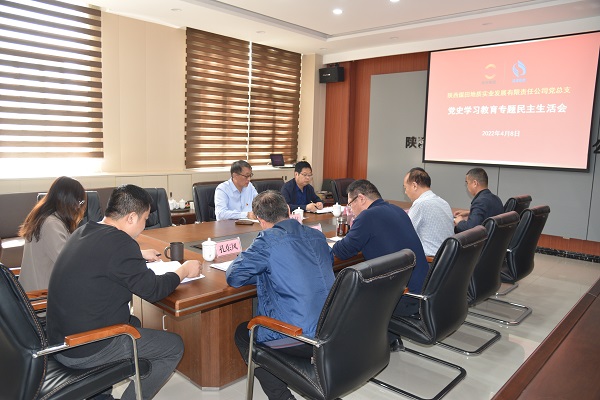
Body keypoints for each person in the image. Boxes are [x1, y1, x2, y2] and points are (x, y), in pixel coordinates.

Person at [46, 184, 202, 400]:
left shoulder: (84, 230)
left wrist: (138, 255)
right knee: (173, 346)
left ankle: (100, 391)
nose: (144, 225)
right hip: (84, 348)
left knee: (134, 322)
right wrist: (184, 270)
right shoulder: (121, 244)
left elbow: (105, 256)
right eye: (144, 219)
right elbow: (154, 289)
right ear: (131, 218)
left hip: (59, 341)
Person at [227, 190, 334, 400]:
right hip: (331, 328)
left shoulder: (267, 240)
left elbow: (234, 277)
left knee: (244, 333)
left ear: (260, 220)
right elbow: (326, 262)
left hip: (300, 337)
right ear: (288, 210)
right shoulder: (316, 235)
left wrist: (255, 261)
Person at [331, 179, 429, 351]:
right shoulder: (397, 210)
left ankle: (352, 348)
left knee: (344, 286)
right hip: (421, 292)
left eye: (350, 204)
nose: (351, 210)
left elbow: (343, 251)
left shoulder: (367, 216)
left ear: (361, 198)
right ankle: (391, 338)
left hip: (402, 299)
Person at [18, 176, 86, 291]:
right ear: (68, 200)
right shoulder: (51, 224)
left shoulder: (45, 217)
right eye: (79, 201)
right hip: (42, 294)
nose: (79, 206)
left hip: (37, 288)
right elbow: (69, 263)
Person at [403, 168, 454, 256]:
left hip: (429, 259)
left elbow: (405, 233)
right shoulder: (443, 202)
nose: (405, 192)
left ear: (414, 186)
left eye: (405, 187)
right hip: (446, 258)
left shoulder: (420, 204)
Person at [454, 167, 504, 233]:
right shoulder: (496, 199)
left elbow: (470, 229)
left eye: (467, 183)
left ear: (475, 183)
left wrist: (460, 222)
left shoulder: (480, 202)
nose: (467, 186)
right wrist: (470, 212)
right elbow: (488, 213)